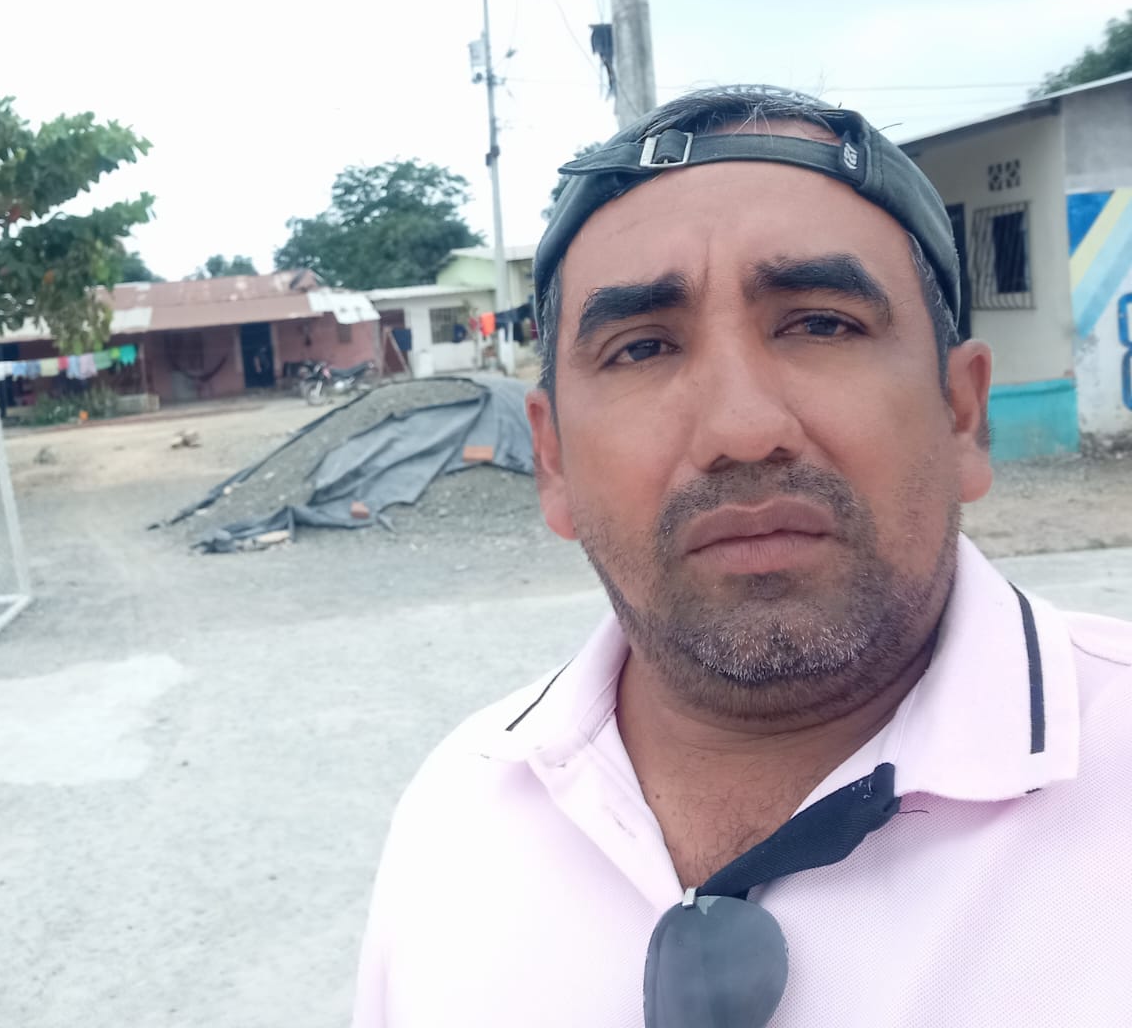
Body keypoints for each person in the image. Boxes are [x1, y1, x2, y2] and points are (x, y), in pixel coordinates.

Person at [352, 86, 1132, 1026]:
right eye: (642, 348)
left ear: (962, 414)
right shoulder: (458, 819)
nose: (742, 430)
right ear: (551, 461)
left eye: (822, 324)